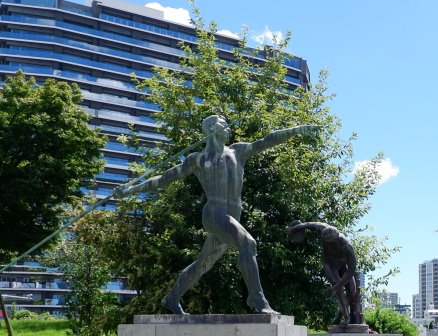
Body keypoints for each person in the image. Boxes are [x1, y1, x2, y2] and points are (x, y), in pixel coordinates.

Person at [117, 115, 320, 315]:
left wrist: (296, 130)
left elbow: (267, 140)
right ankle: (258, 299)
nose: (229, 128)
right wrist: (129, 190)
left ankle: (172, 297)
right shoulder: (198, 160)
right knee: (248, 244)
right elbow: (163, 179)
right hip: (214, 213)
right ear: (212, 129)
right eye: (224, 125)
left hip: (232, 216)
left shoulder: (239, 151)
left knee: (204, 263)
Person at [286, 221, 363, 325]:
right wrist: (293, 228)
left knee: (353, 292)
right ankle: (346, 317)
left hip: (343, 265)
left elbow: (350, 272)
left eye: (332, 243)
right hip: (329, 263)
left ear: (337, 238)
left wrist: (334, 288)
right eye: (327, 243)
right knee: (339, 288)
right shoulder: (323, 228)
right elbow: (308, 224)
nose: (329, 245)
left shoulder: (347, 246)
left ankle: (339, 316)